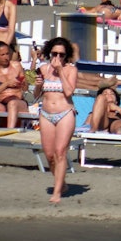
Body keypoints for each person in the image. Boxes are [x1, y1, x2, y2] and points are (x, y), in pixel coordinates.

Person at [33, 37, 78, 204]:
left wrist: (61, 71)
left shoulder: (71, 70)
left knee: (60, 152)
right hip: (46, 113)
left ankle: (57, 192)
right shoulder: (43, 69)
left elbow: (68, 92)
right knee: (50, 155)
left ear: (66, 56)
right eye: (55, 53)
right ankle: (62, 183)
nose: (58, 57)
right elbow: (36, 95)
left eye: (62, 54)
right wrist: (38, 84)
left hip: (65, 112)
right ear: (49, 53)